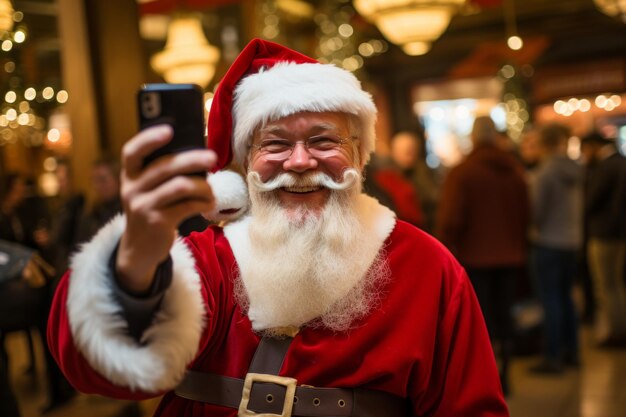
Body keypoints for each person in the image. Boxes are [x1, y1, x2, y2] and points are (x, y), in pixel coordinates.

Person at [47, 39, 508, 417]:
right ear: (245, 165)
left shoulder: (426, 266)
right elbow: (93, 369)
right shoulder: (210, 259)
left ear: (361, 155)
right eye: (275, 144)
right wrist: (133, 263)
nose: (301, 162)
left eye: (323, 140)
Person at [435, 116, 529, 395]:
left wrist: (445, 249)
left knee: (480, 321)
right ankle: (507, 372)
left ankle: (488, 379)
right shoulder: (514, 171)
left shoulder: (463, 172)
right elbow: (526, 214)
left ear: (474, 138)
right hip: (511, 256)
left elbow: (451, 219)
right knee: (505, 316)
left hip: (475, 258)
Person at [529, 123, 583, 373]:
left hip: (549, 241)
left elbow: (536, 211)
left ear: (544, 144)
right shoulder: (575, 169)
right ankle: (572, 351)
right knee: (567, 297)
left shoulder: (546, 172)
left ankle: (552, 356)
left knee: (550, 299)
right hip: (572, 241)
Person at [582, 132, 626, 346]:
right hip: (618, 234)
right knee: (616, 283)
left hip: (603, 234)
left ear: (593, 146)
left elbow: (591, 202)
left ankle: (614, 332)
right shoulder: (621, 162)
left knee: (606, 285)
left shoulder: (605, 167)